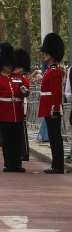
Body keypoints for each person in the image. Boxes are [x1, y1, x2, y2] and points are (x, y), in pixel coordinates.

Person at [0, 43, 25, 172]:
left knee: (17, 140)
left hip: (17, 113)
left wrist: (25, 92)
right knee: (7, 141)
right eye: (8, 64)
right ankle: (8, 164)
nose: (10, 67)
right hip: (4, 113)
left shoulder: (18, 78)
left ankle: (17, 164)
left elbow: (25, 91)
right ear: (2, 65)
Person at [38, 33, 65, 173]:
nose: (44, 55)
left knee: (55, 137)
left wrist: (54, 109)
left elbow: (56, 93)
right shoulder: (50, 70)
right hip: (49, 107)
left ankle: (58, 165)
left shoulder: (54, 71)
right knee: (53, 137)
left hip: (52, 108)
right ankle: (56, 164)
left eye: (46, 53)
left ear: (51, 55)